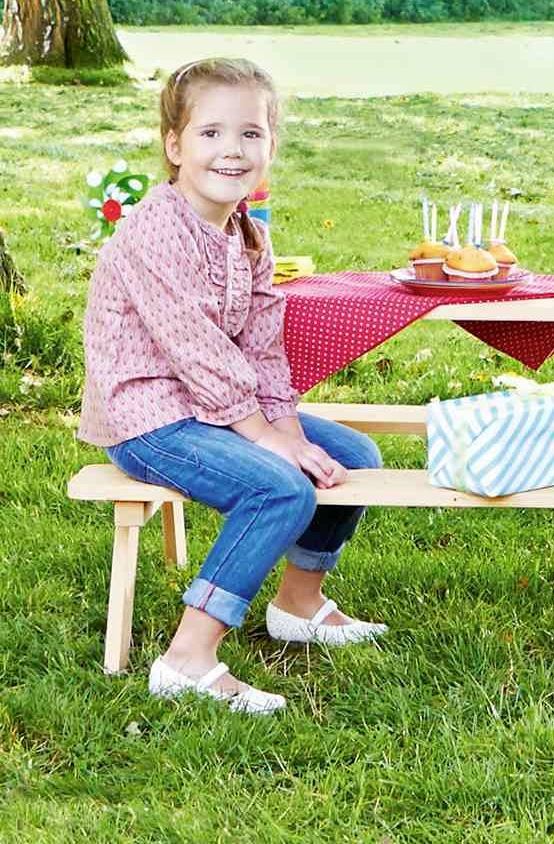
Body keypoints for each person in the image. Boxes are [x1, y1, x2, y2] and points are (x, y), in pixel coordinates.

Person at [79, 58, 386, 713]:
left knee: (355, 457)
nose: (232, 150)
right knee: (278, 489)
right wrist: (268, 443)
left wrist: (289, 428)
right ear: (175, 147)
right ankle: (188, 657)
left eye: (251, 134)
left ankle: (298, 605)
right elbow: (197, 352)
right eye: (211, 133)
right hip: (150, 419)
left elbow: (263, 350)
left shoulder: (250, 235)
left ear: (271, 145)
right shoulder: (153, 231)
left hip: (213, 410)